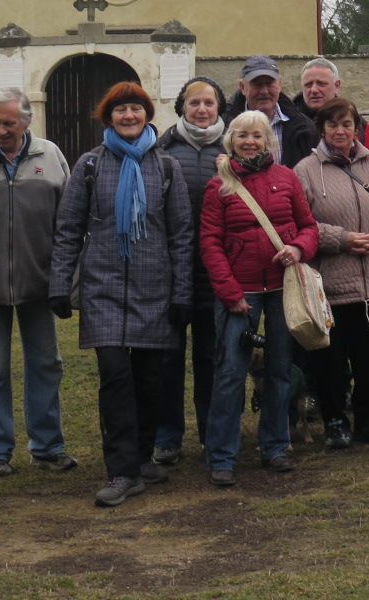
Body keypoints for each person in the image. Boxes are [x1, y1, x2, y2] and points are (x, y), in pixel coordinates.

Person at [49, 82, 193, 507]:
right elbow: (68, 228)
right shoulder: (90, 165)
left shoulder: (167, 167)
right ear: (107, 117)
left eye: (135, 109)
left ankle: (142, 456)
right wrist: (60, 284)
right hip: (103, 288)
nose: (128, 116)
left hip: (154, 289)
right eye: (120, 110)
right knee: (115, 378)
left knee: (149, 381)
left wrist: (182, 293)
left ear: (147, 114)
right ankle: (122, 470)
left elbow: (181, 235)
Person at [0, 87, 78, 479]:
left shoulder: (51, 156)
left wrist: (68, 277)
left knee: (46, 364)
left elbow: (69, 220)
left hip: (41, 282)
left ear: (27, 121)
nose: (0, 130)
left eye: (9, 122)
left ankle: (47, 447)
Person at [201, 110, 319, 486]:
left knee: (280, 371)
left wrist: (298, 249)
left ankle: (276, 446)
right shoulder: (218, 185)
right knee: (230, 375)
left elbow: (309, 227)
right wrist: (229, 292)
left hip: (283, 290)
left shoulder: (286, 178)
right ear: (231, 141)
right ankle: (221, 455)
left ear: (269, 141)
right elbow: (210, 243)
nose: (250, 141)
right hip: (241, 292)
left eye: (257, 135)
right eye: (242, 136)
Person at [294, 97, 369, 449]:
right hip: (329, 279)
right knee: (330, 360)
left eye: (346, 124)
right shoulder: (305, 170)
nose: (340, 131)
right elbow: (301, 223)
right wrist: (340, 239)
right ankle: (335, 422)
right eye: (332, 125)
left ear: (357, 128)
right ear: (321, 129)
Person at [151, 76, 229, 465]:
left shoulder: (234, 149)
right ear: (182, 107)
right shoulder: (162, 150)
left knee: (212, 356)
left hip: (218, 272)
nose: (201, 110)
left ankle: (210, 432)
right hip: (172, 272)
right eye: (194, 103)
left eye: (209, 103)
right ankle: (167, 435)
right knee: (168, 359)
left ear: (219, 109)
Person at [227, 54, 318, 169]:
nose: (264, 91)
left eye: (269, 83)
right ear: (243, 87)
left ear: (279, 84)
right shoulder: (225, 127)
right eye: (257, 84)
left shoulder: (305, 128)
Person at [293, 56, 369, 152]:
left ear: (336, 86)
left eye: (321, 84)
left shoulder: (359, 125)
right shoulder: (288, 123)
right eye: (308, 84)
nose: (314, 90)